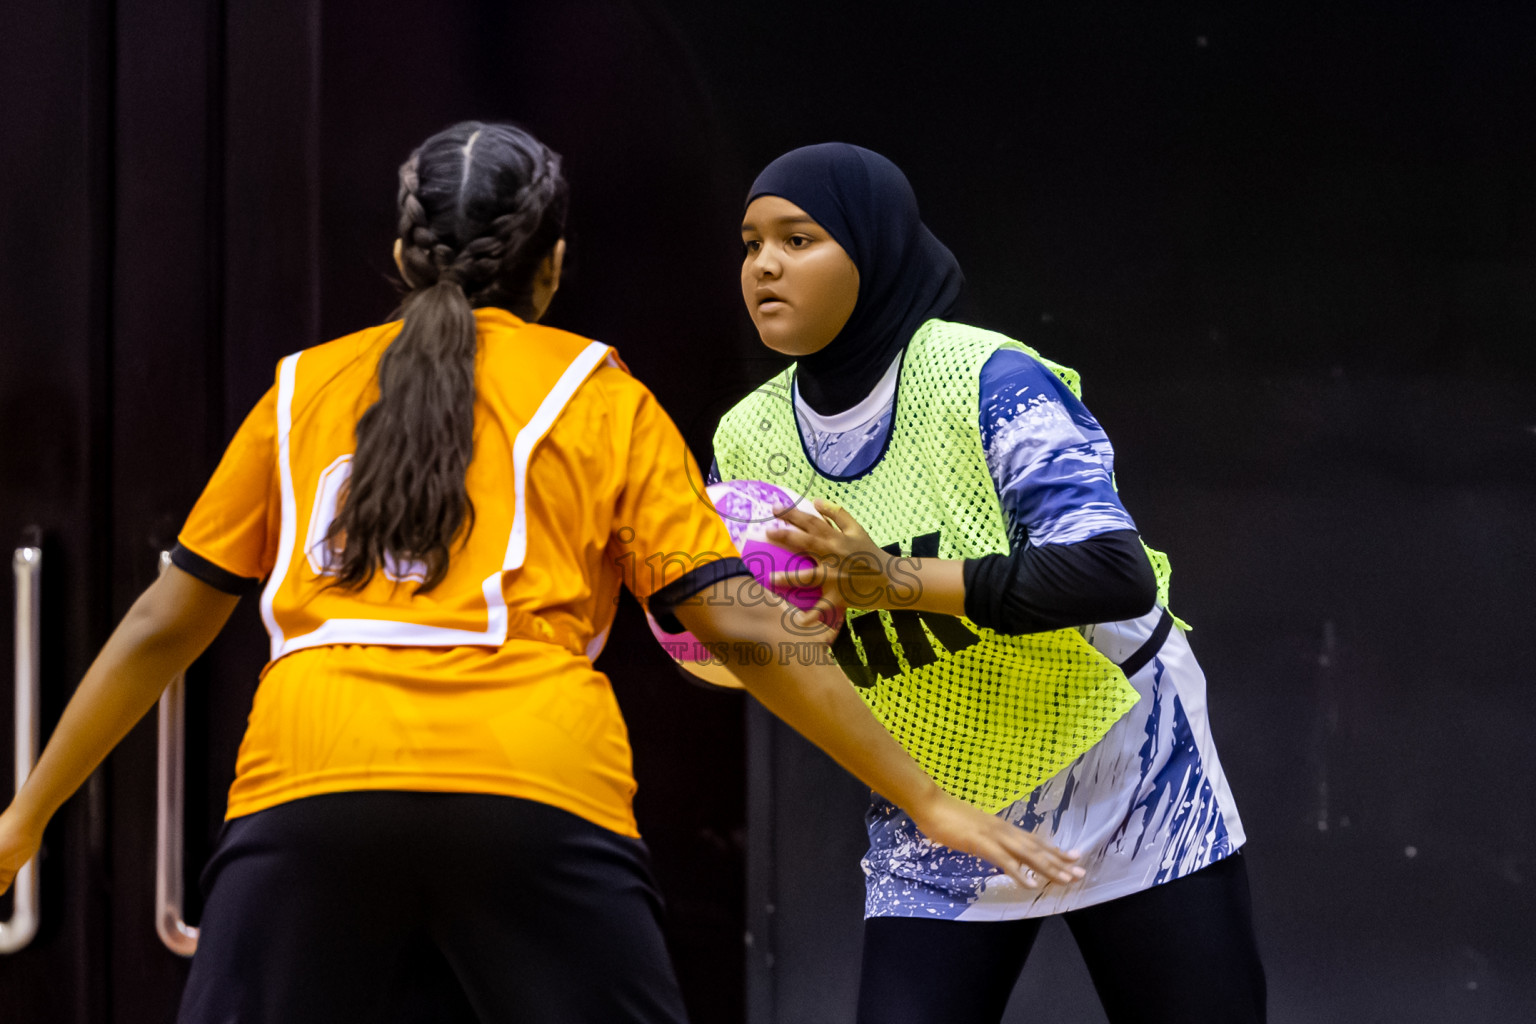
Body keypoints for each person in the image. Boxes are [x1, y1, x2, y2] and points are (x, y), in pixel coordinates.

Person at [0, 124, 1083, 1024]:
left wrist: (25, 817)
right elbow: (745, 632)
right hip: (534, 787)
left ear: (400, 251)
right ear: (553, 265)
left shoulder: (300, 391)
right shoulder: (598, 394)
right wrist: (927, 796)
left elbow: (160, 624)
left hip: (313, 781)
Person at [711, 142, 1266, 1024]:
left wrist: (887, 579)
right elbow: (762, 641)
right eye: (750, 243)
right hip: (941, 802)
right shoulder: (747, 439)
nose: (765, 264)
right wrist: (735, 636)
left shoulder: (989, 377)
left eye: (799, 237)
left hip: (1125, 765)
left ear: (875, 248)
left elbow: (1109, 571)